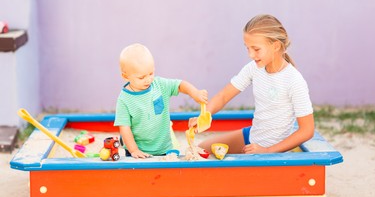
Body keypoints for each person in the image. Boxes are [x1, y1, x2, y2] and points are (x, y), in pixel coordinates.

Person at [191, 14, 314, 154]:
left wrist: (268, 150)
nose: (250, 54)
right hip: (253, 137)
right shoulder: (253, 68)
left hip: (274, 149)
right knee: (201, 149)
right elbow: (223, 96)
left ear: (276, 46)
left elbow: (307, 130)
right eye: (247, 48)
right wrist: (204, 115)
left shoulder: (294, 80)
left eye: (256, 49)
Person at [114, 43, 208, 158]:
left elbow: (179, 85)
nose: (148, 80)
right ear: (125, 76)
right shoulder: (124, 100)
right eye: (141, 77)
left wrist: (195, 93)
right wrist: (134, 150)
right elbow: (124, 128)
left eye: (151, 73)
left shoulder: (159, 85)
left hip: (164, 147)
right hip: (138, 150)